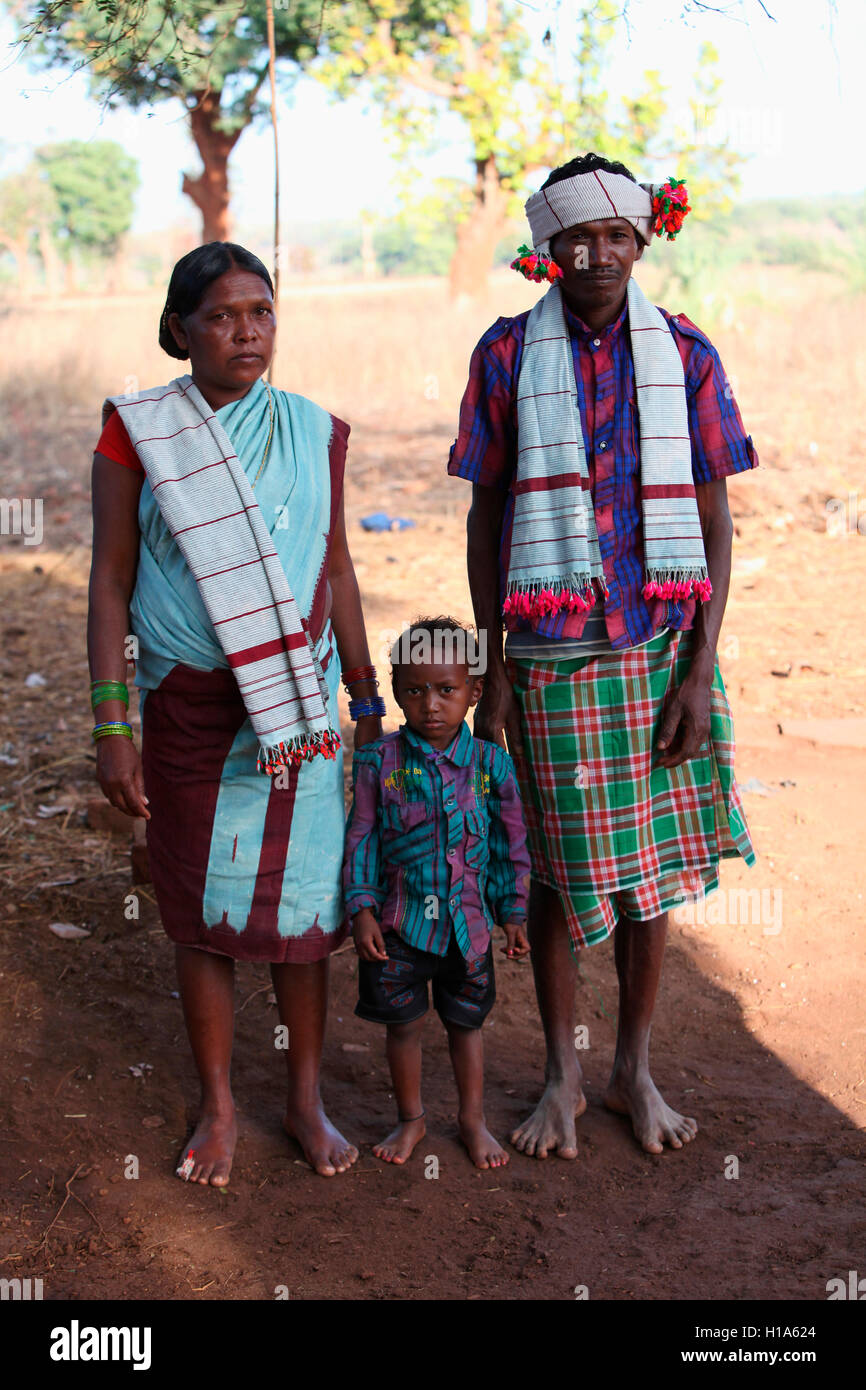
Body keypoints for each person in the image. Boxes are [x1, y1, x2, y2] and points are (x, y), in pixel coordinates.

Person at [448, 153, 757, 1158]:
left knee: (650, 875)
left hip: (659, 647)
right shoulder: (502, 356)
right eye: (574, 237)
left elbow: (712, 515)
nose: (595, 255)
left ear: (640, 240)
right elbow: (486, 514)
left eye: (614, 236)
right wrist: (494, 663)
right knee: (553, 872)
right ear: (546, 248)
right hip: (546, 653)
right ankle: (559, 1078)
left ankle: (632, 1066)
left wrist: (700, 666)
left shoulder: (685, 353)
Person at [88, 242, 385, 1183]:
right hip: (186, 702)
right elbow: (109, 581)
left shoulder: (310, 430)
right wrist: (110, 726)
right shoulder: (138, 432)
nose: (246, 330)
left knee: (304, 906)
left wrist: (369, 691)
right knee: (202, 906)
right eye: (222, 315)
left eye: (261, 310)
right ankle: (218, 1102)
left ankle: (303, 1098)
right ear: (179, 330)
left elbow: (335, 566)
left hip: (298, 704)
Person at [343, 617, 531, 1168]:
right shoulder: (380, 763)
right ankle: (411, 1119)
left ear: (474, 692)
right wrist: (361, 908)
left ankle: (472, 1120)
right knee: (402, 1026)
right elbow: (362, 839)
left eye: (446, 690)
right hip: (400, 928)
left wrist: (512, 911)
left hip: (467, 932)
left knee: (466, 1026)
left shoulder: (490, 766)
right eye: (414, 690)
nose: (430, 704)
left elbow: (509, 843)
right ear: (397, 692)